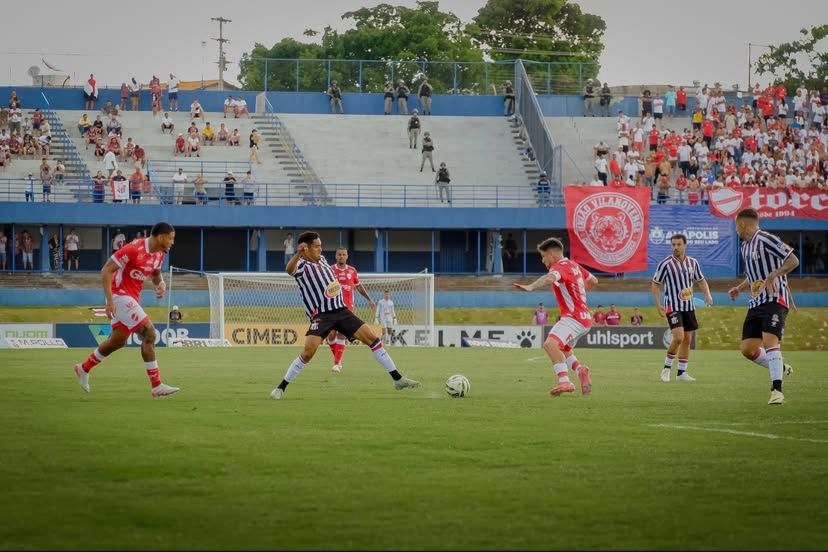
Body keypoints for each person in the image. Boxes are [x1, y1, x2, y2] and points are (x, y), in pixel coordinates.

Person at [269, 231, 419, 399]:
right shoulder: (302, 265)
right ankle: (281, 388)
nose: (320, 249)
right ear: (306, 248)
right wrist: (298, 254)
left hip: (342, 310)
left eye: (320, 246)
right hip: (322, 315)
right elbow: (289, 270)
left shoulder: (322, 260)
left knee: (372, 339)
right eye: (317, 246)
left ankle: (398, 379)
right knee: (308, 353)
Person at [73, 223, 179, 397]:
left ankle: (83, 368)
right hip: (119, 296)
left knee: (117, 341)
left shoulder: (160, 254)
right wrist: (109, 301)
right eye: (170, 238)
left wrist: (160, 284)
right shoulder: (134, 249)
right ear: (161, 237)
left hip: (132, 298)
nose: (172, 242)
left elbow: (155, 274)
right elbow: (106, 270)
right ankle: (156, 385)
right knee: (150, 334)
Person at [728, 209, 797, 405]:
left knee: (770, 342)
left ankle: (777, 390)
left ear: (742, 224)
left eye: (736, 225)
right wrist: (739, 288)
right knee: (747, 350)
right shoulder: (744, 246)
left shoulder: (766, 239)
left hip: (775, 298)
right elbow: (753, 275)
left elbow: (793, 260)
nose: (735, 229)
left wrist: (774, 274)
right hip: (756, 302)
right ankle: (780, 366)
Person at [514, 237, 597, 396]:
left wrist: (531, 287)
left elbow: (549, 278)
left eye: (543, 256)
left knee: (550, 344)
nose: (543, 261)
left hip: (573, 318)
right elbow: (593, 280)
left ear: (551, 255)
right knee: (563, 349)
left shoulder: (559, 267)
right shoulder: (574, 265)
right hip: (584, 318)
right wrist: (578, 295)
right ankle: (580, 370)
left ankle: (564, 382)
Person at [652, 233, 714, 383]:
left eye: (679, 244)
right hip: (672, 306)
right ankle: (666, 369)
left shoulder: (693, 263)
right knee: (678, 337)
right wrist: (658, 304)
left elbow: (701, 280)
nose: (676, 247)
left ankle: (681, 373)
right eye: (673, 244)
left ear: (685, 245)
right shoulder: (665, 264)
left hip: (688, 306)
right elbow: (655, 283)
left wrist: (707, 294)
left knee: (687, 339)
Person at [327, 247, 377, 373]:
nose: (341, 256)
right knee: (331, 336)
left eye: (344, 254)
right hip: (332, 307)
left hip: (347, 308)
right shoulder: (330, 270)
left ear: (347, 256)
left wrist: (369, 299)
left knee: (342, 334)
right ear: (336, 256)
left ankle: (336, 363)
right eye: (339, 254)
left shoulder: (352, 271)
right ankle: (338, 359)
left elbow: (359, 287)